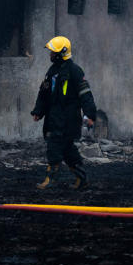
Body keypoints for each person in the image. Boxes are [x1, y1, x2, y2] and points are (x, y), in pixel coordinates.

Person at [31, 36, 97, 190]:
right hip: (54, 118)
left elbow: (86, 95)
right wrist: (38, 112)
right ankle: (82, 179)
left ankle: (50, 180)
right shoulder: (52, 71)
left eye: (53, 52)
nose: (50, 54)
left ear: (61, 53)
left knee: (54, 147)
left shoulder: (75, 71)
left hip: (69, 119)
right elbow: (44, 93)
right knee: (67, 150)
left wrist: (90, 116)